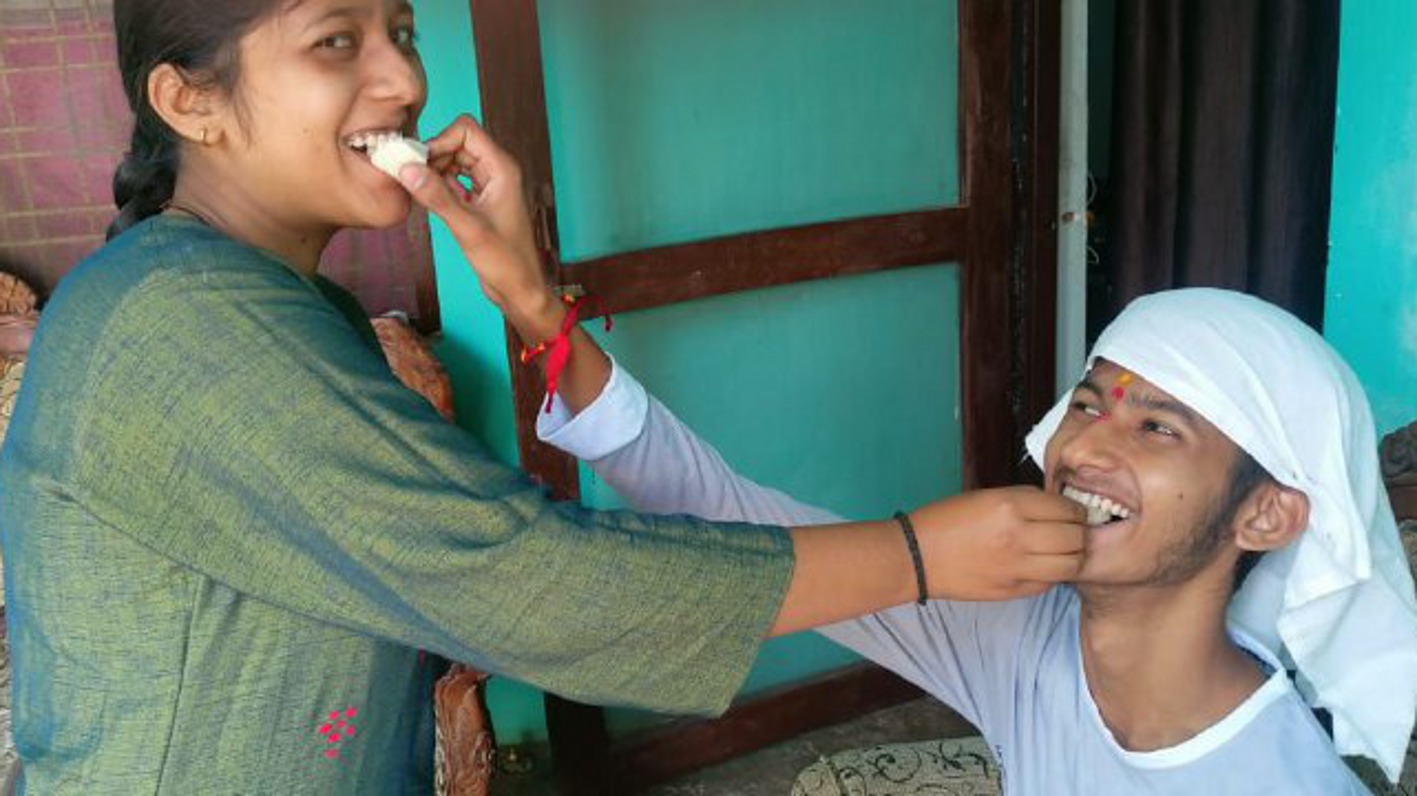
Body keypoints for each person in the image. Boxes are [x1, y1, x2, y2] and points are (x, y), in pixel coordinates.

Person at [0, 0, 1093, 791]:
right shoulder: (183, 319)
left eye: (402, 32)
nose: (403, 80)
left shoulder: (275, 302)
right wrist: (920, 555)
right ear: (190, 102)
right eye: (337, 40)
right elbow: (522, 577)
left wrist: (530, 298)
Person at [505, 286, 1417, 793]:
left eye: (1157, 428)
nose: (1084, 447)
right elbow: (730, 513)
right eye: (1087, 404)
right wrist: (543, 315)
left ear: (1265, 516)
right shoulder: (1022, 639)